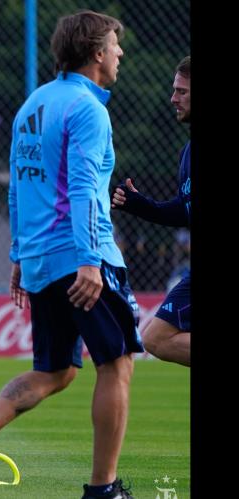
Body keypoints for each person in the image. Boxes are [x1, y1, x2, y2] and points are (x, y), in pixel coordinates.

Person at [0, 11, 139, 499]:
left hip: (39, 257)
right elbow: (83, 189)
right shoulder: (89, 109)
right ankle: (103, 489)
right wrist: (91, 258)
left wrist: (19, 254)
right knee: (116, 365)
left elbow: (19, 189)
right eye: (114, 46)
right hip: (80, 257)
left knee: (58, 371)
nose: (119, 54)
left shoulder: (33, 104)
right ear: (96, 53)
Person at [112, 56, 190, 367]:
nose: (173, 98)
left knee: (156, 337)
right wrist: (144, 207)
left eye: (182, 91)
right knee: (156, 338)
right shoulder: (188, 152)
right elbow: (186, 211)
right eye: (175, 90)